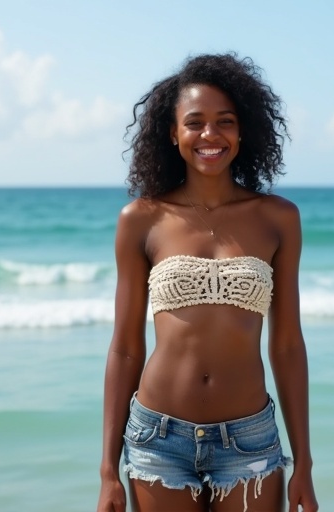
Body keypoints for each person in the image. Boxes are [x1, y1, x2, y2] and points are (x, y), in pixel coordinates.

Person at [97, 53, 318, 512]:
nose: (210, 135)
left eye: (225, 121)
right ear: (173, 133)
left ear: (243, 131)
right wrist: (107, 471)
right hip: (158, 438)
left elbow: (288, 345)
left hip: (250, 440)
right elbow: (124, 347)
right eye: (194, 122)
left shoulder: (278, 218)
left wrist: (305, 465)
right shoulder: (141, 219)